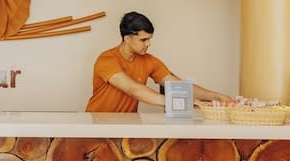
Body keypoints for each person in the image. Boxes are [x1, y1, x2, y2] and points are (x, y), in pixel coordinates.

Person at [85, 11, 232, 112]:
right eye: (143, 40)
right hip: (96, 123)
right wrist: (178, 101)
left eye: (150, 39)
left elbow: (178, 85)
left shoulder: (149, 61)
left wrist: (215, 96)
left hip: (127, 124)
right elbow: (133, 89)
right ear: (127, 38)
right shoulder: (106, 60)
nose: (149, 44)